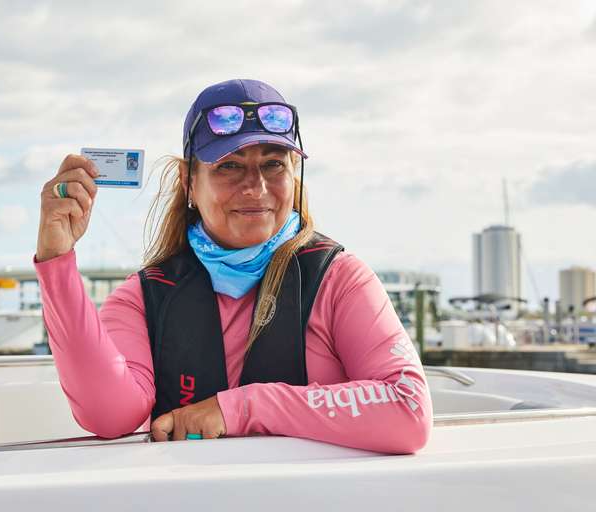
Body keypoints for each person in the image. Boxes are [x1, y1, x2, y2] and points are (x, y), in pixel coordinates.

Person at [33, 78, 433, 454]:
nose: (255, 187)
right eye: (229, 165)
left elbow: (408, 410)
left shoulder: (339, 279)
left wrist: (240, 408)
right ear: (189, 181)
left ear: (295, 174)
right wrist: (57, 263)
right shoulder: (145, 297)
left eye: (274, 164)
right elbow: (109, 417)